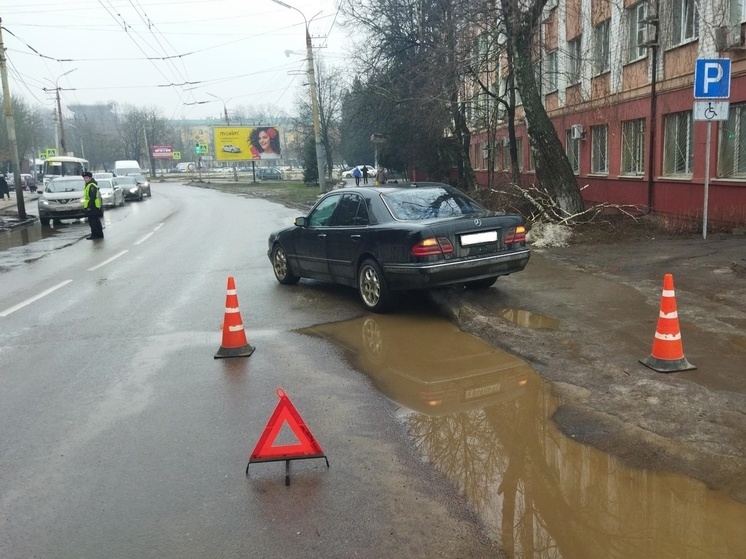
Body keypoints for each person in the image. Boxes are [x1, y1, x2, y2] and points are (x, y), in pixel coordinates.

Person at [82, 171, 104, 239]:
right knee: (96, 220)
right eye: (84, 178)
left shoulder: (91, 186)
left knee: (92, 221)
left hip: (92, 206)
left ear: (90, 178)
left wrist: (89, 206)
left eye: (86, 178)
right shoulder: (89, 185)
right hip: (93, 206)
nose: (85, 179)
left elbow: (92, 197)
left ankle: (95, 234)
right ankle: (99, 234)